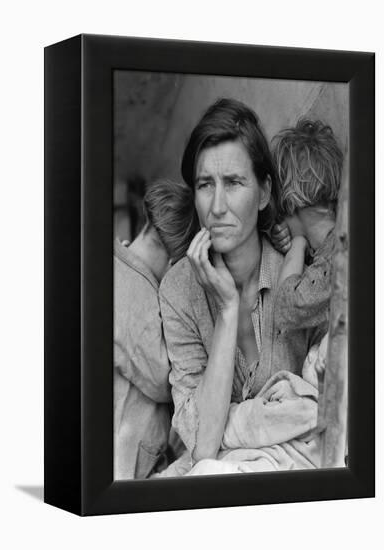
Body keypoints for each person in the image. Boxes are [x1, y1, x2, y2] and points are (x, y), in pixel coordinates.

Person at [159, 99, 319, 470]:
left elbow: (317, 404)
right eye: (204, 185)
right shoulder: (178, 290)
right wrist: (228, 310)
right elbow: (202, 444)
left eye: (232, 183)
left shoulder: (297, 277)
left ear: (263, 193)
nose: (216, 207)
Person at [114, 178, 196, 479]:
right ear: (177, 261)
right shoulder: (139, 297)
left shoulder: (113, 263)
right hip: (121, 469)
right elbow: (166, 378)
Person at [271, 118, 343, 343]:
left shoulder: (337, 257)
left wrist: (297, 245)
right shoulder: (330, 248)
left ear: (289, 201)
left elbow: (285, 308)